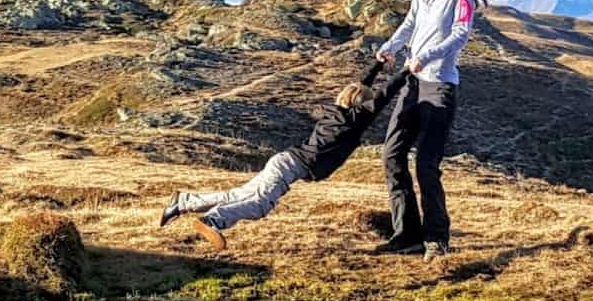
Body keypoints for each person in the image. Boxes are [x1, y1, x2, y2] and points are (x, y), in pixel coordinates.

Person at [157, 51, 409, 249]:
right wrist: (407, 71)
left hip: (286, 161)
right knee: (259, 205)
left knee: (239, 195)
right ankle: (213, 221)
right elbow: (382, 96)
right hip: (291, 165)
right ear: (361, 106)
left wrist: (377, 66)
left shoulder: (338, 112)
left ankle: (183, 202)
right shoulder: (352, 122)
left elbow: (359, 88)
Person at [374, 0, 496, 259]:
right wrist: (390, 48)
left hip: (439, 85)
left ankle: (437, 240)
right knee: (392, 155)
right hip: (411, 83)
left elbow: (460, 34)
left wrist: (426, 56)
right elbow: (409, 25)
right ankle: (406, 234)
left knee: (426, 164)